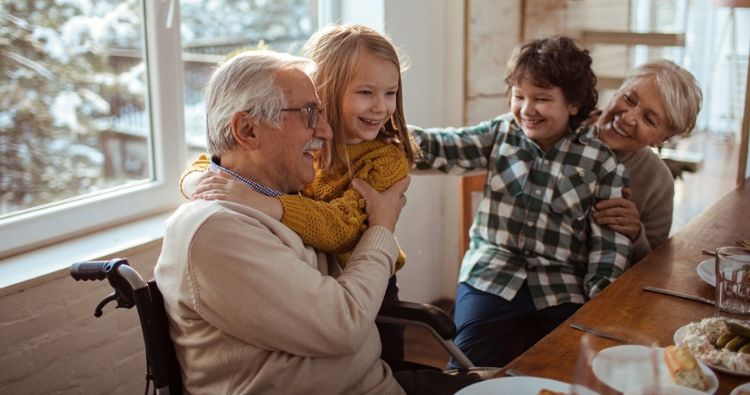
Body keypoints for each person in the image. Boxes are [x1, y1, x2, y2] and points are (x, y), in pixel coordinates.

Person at [155, 50, 479, 394]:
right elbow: (345, 324)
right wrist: (382, 226)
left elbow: (216, 163)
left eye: (320, 112)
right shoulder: (216, 230)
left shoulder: (278, 188)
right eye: (309, 114)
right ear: (248, 130)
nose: (326, 132)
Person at [183, 24, 417, 361]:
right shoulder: (304, 144)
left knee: (386, 366)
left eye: (390, 93)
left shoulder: (384, 161)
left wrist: (267, 204)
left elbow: (342, 228)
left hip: (372, 286)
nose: (381, 107)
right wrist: (196, 184)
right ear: (327, 93)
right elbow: (214, 159)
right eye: (366, 93)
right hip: (317, 283)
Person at [410, 36, 632, 368]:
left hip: (563, 284)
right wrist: (390, 132)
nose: (526, 110)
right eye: (519, 96)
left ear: (573, 104)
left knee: (574, 368)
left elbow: (608, 249)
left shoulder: (601, 161)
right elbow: (444, 147)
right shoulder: (501, 133)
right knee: (464, 370)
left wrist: (600, 302)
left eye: (541, 99)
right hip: (492, 272)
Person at [591, 60, 702, 262]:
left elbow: (654, 267)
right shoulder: (560, 130)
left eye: (649, 119)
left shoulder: (659, 181)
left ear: (662, 140)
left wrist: (635, 234)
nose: (628, 118)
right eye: (629, 99)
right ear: (618, 90)